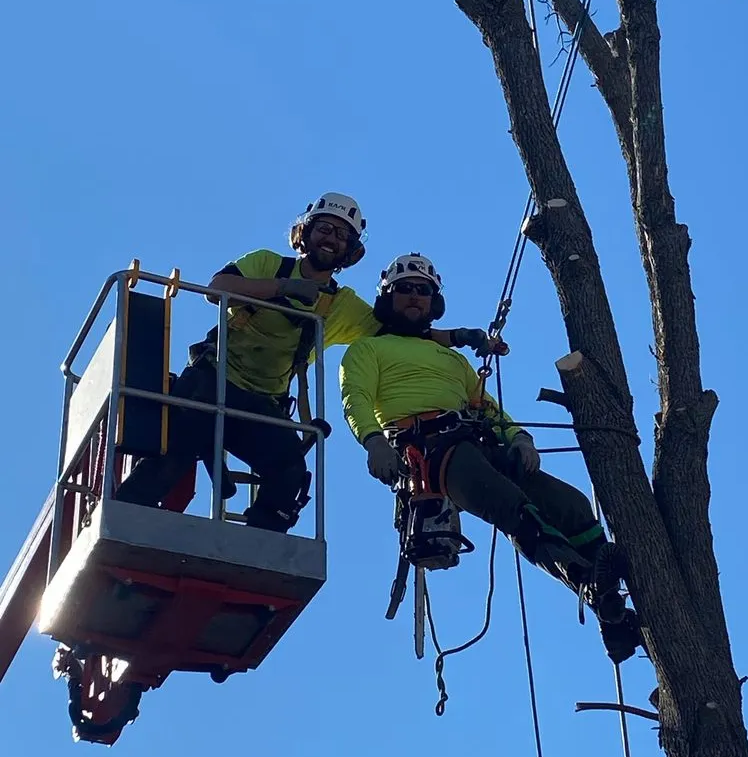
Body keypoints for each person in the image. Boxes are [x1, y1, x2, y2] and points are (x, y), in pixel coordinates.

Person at [116, 195, 491, 534]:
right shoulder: (268, 264)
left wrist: (458, 336)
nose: (331, 238)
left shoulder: (342, 305)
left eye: (342, 235)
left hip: (262, 404)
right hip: (211, 381)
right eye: (324, 229)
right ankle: (124, 519)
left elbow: (400, 332)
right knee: (174, 452)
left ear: (350, 251)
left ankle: (255, 544)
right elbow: (218, 288)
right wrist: (281, 289)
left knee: (290, 472)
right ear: (306, 234)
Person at [338, 252, 642, 663]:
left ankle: (613, 611)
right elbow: (354, 398)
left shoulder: (453, 359)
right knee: (515, 508)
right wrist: (372, 440)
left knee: (572, 506)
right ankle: (586, 581)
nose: (414, 297)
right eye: (404, 289)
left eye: (422, 291)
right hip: (430, 451)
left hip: (475, 440)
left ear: (434, 301)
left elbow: (485, 407)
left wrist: (519, 438)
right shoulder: (367, 351)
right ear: (387, 298)